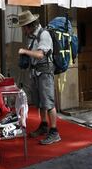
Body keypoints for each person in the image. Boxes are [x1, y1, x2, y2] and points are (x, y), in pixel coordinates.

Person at [17, 10, 61, 145]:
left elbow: (41, 54)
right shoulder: (32, 36)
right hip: (36, 72)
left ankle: (54, 132)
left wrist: (25, 51)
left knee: (48, 102)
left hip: (45, 72)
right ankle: (43, 125)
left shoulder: (44, 34)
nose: (23, 30)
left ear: (29, 26)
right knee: (40, 102)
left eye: (23, 27)